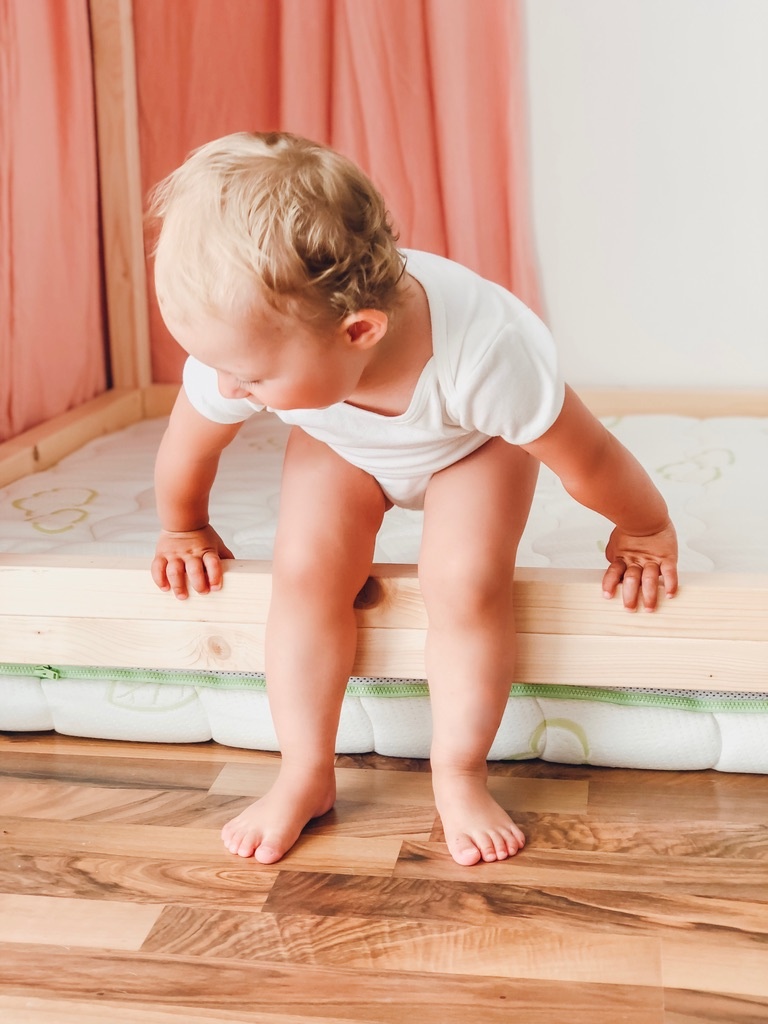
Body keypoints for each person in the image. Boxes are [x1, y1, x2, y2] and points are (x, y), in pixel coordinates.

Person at [149, 131, 678, 868]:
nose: (228, 389)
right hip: (342, 443)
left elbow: (587, 457)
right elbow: (190, 443)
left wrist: (644, 527)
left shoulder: (487, 358)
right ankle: (305, 771)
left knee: (463, 582)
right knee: (302, 573)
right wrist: (186, 525)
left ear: (358, 331)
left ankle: (459, 773)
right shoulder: (240, 355)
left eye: (250, 378)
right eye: (216, 366)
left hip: (471, 445)